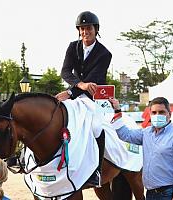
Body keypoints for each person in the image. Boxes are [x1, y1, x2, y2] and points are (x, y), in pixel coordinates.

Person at [55, 11, 112, 187]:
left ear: (96, 30)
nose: (85, 32)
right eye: (82, 28)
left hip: (92, 97)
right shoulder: (73, 47)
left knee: (96, 127)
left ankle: (97, 171)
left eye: (88, 28)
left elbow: (93, 81)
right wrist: (76, 88)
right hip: (76, 90)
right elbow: (65, 71)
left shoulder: (105, 54)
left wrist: (72, 92)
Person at [109, 97, 173, 200]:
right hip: (150, 193)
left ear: (169, 114)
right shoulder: (146, 133)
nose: (157, 115)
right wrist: (117, 110)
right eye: (154, 112)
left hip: (168, 194)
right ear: (150, 114)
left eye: (161, 112)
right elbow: (125, 135)